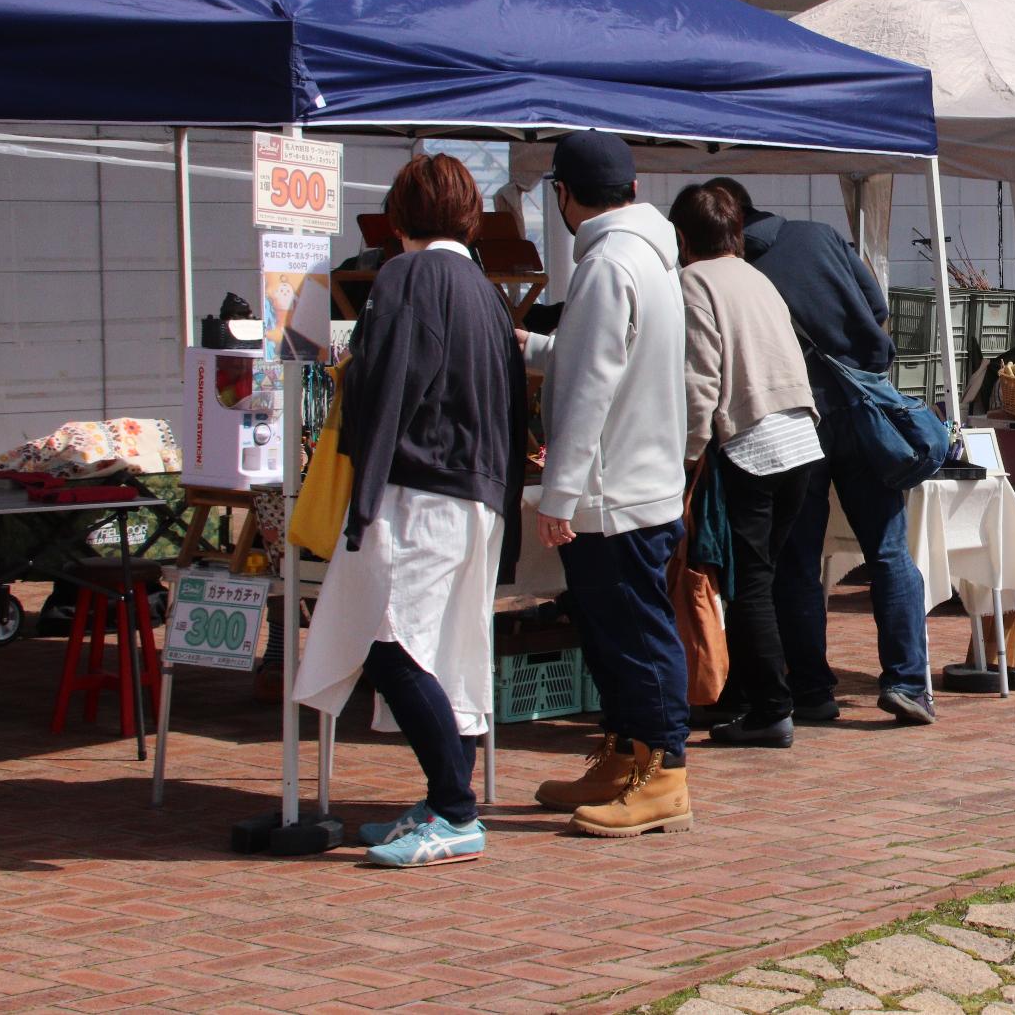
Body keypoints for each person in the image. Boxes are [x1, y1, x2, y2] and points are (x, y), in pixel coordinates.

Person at [295, 153, 526, 868]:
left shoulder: (407, 275)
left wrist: (361, 496)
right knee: (447, 652)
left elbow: (386, 383)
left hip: (419, 488)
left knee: (391, 644)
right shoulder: (489, 293)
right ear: (468, 216)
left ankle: (455, 810)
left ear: (397, 217)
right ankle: (443, 800)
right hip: (479, 493)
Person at [706, 177, 936, 726]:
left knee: (798, 560)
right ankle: (906, 681)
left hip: (794, 422)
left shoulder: (732, 273)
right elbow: (878, 305)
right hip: (863, 411)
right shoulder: (820, 235)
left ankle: (812, 688)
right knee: (887, 551)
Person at [526, 130, 696, 836]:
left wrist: (558, 492)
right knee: (616, 633)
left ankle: (664, 774)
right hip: (641, 477)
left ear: (565, 194)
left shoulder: (604, 264)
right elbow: (602, 357)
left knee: (632, 634)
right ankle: (628, 754)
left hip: (612, 489)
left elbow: (592, 383)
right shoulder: (649, 255)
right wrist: (534, 347)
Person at [668, 183, 824, 750]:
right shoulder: (757, 277)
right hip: (800, 440)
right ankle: (747, 699)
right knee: (760, 578)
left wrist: (685, 459)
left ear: (681, 236)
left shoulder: (693, 282)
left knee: (747, 583)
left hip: (751, 443)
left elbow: (698, 381)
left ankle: (771, 709)